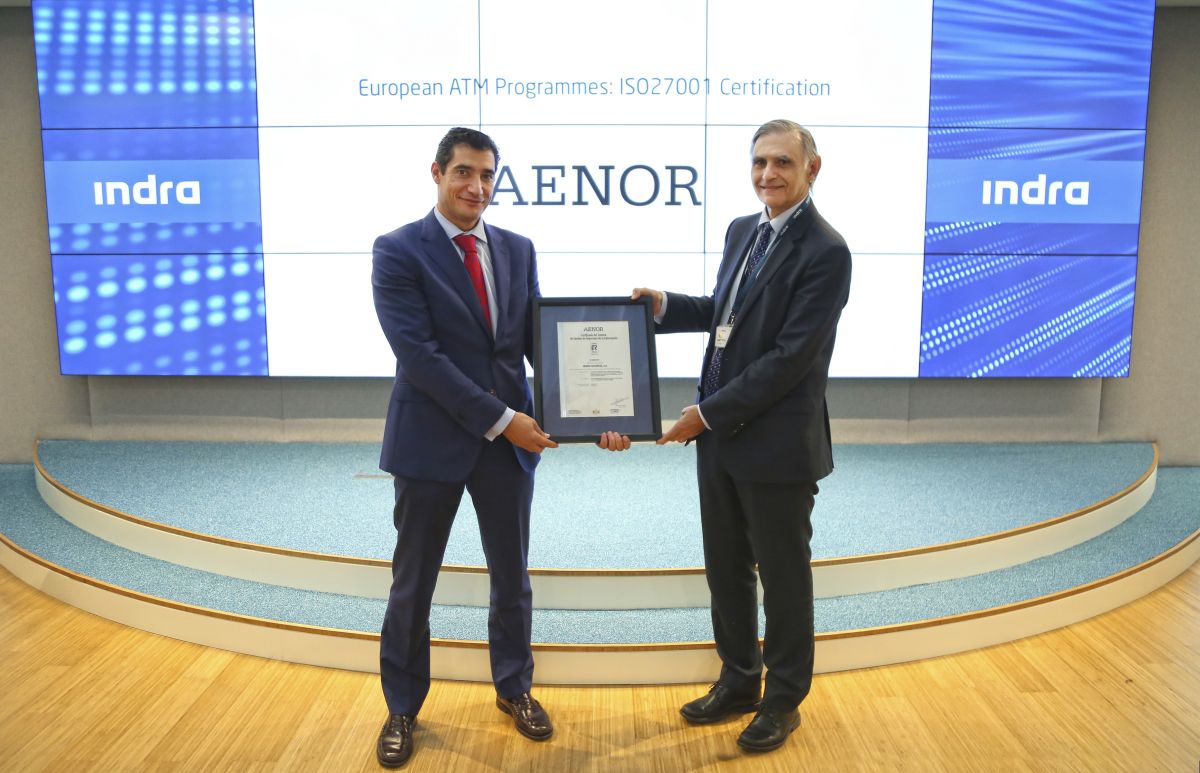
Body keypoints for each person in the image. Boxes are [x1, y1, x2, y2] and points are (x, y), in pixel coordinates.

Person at [623, 119, 851, 752]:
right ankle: (739, 680)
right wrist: (665, 305)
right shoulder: (742, 230)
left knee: (783, 578)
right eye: (759, 162)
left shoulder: (826, 251)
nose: (768, 174)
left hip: (775, 445)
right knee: (725, 568)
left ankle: (783, 700)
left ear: (812, 169)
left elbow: (788, 358)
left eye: (782, 162)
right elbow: (725, 313)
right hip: (721, 438)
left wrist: (706, 414)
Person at [371, 127, 574, 768]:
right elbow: (421, 358)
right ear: (437, 172)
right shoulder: (398, 250)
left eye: (487, 175)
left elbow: (539, 344)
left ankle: (515, 688)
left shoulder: (517, 249)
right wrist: (504, 419)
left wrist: (589, 412)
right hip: (431, 441)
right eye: (463, 172)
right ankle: (402, 707)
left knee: (512, 577)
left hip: (506, 450)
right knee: (414, 583)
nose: (476, 187)